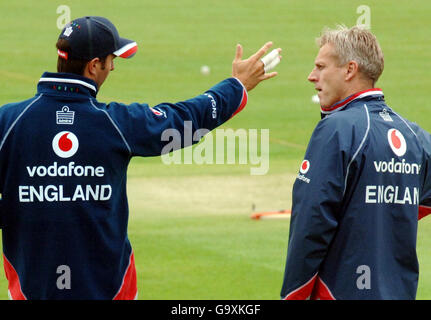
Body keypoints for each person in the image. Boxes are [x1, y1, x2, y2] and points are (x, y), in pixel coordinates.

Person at [0, 16, 281, 299]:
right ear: (93, 65)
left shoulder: (8, 121)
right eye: (111, 60)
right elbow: (183, 122)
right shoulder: (115, 123)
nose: (112, 67)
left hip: (30, 289)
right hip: (110, 290)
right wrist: (236, 86)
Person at [280, 25, 431, 300]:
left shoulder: (336, 129)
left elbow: (312, 223)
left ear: (349, 70)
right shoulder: (414, 135)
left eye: (321, 67)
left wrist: (292, 295)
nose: (311, 77)